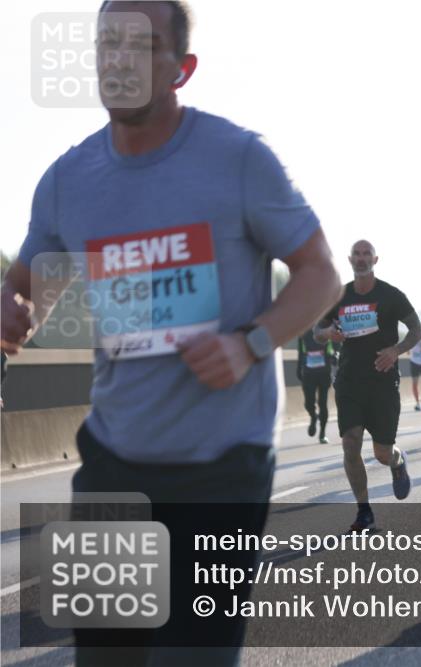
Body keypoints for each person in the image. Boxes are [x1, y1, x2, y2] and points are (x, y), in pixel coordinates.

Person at [1, 3, 342, 663]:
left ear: (181, 69)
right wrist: (13, 310)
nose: (118, 59)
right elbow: (26, 291)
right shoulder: (68, 181)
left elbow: (320, 273)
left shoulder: (238, 159)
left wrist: (249, 343)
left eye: (140, 45)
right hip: (112, 464)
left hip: (223, 468)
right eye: (107, 42)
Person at [314, 240, 421, 532]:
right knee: (351, 443)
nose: (361, 259)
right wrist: (328, 332)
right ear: (350, 259)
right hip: (349, 381)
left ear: (375, 259)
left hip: (382, 383)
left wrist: (395, 351)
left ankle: (397, 462)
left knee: (382, 453)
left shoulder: (391, 295)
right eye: (357, 255)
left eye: (366, 254)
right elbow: (316, 332)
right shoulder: (339, 295)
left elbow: (417, 330)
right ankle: (364, 512)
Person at [297, 329, 338, 443]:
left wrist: (334, 356)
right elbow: (301, 352)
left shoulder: (326, 329)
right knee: (308, 403)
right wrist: (298, 368)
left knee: (322, 403)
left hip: (324, 373)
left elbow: (335, 348)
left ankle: (322, 433)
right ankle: (314, 417)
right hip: (308, 373)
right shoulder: (303, 332)